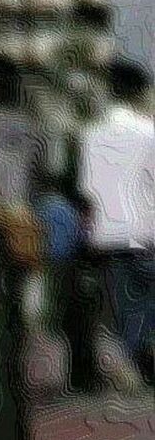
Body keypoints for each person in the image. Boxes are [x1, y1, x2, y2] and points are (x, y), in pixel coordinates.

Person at [78, 59, 154, 387]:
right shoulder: (149, 132)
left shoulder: (92, 134)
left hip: (111, 233)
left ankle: (137, 359)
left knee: (127, 306)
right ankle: (143, 357)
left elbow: (88, 189)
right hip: (148, 232)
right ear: (140, 92)